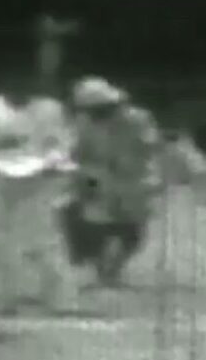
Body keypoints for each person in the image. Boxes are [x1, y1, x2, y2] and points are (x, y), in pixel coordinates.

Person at [0, 71, 76, 310]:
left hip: (37, 174)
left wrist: (54, 163)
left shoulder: (50, 109)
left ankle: (62, 299)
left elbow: (62, 143)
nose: (20, 85)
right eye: (15, 80)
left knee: (46, 238)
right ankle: (1, 298)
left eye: (26, 80)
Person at [66, 77, 161, 286]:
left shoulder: (138, 119)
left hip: (134, 178)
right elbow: (75, 153)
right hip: (98, 177)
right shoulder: (83, 124)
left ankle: (114, 270)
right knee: (94, 225)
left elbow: (150, 147)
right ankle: (101, 268)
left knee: (133, 231)